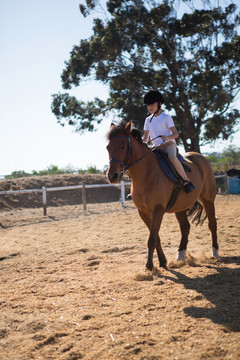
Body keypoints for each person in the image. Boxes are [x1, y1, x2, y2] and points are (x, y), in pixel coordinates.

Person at [142, 90, 194, 193]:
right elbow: (146, 138)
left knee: (172, 157)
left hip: (168, 145)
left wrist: (167, 137)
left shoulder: (166, 117)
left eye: (152, 104)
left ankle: (186, 181)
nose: (150, 107)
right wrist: (142, 144)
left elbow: (176, 134)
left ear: (159, 104)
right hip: (156, 147)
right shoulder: (147, 120)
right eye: (148, 105)